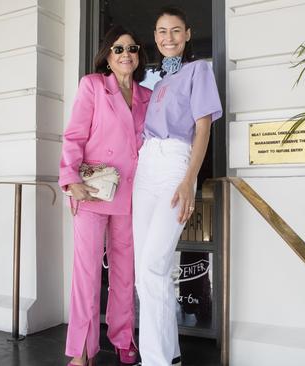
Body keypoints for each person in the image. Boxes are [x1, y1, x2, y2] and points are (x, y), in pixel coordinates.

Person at [133, 7, 223, 366]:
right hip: (145, 168)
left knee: (153, 266)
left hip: (174, 163)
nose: (167, 37)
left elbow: (203, 128)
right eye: (160, 31)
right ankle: (168, 355)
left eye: (174, 30)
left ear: (187, 34)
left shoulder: (197, 71)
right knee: (146, 270)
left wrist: (190, 180)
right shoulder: (157, 82)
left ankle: (155, 360)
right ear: (154, 37)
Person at [58, 25, 152, 366]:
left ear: (138, 55)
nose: (126, 53)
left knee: (125, 274)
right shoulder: (94, 86)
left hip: (131, 196)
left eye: (132, 48)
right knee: (86, 273)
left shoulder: (147, 96)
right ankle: (81, 349)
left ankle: (124, 340)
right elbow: (74, 135)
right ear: (107, 58)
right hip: (93, 192)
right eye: (118, 49)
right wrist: (70, 178)